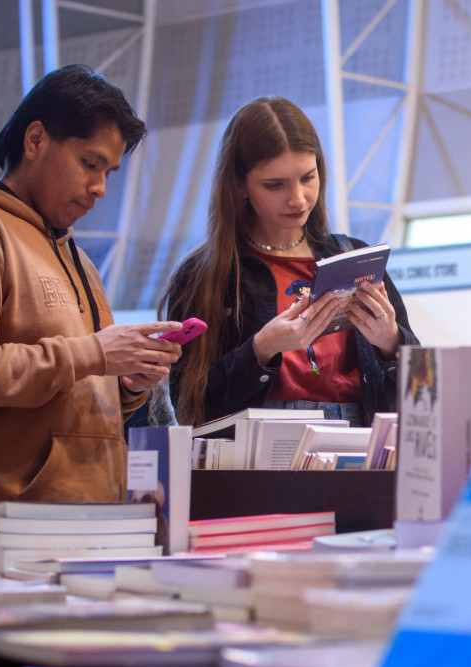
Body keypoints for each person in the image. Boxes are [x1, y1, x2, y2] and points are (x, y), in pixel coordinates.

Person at [0, 65, 184, 543]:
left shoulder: (79, 259)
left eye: (108, 172)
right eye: (90, 163)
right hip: (6, 532)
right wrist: (94, 353)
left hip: (92, 521)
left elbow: (75, 389)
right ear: (35, 140)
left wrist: (127, 384)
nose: (100, 187)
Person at [161, 96, 419, 428]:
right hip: (261, 442)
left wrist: (390, 340)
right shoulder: (206, 275)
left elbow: (420, 389)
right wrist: (261, 349)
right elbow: (190, 405)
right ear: (239, 186)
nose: (297, 199)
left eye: (308, 178)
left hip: (359, 438)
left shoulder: (353, 256)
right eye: (275, 185)